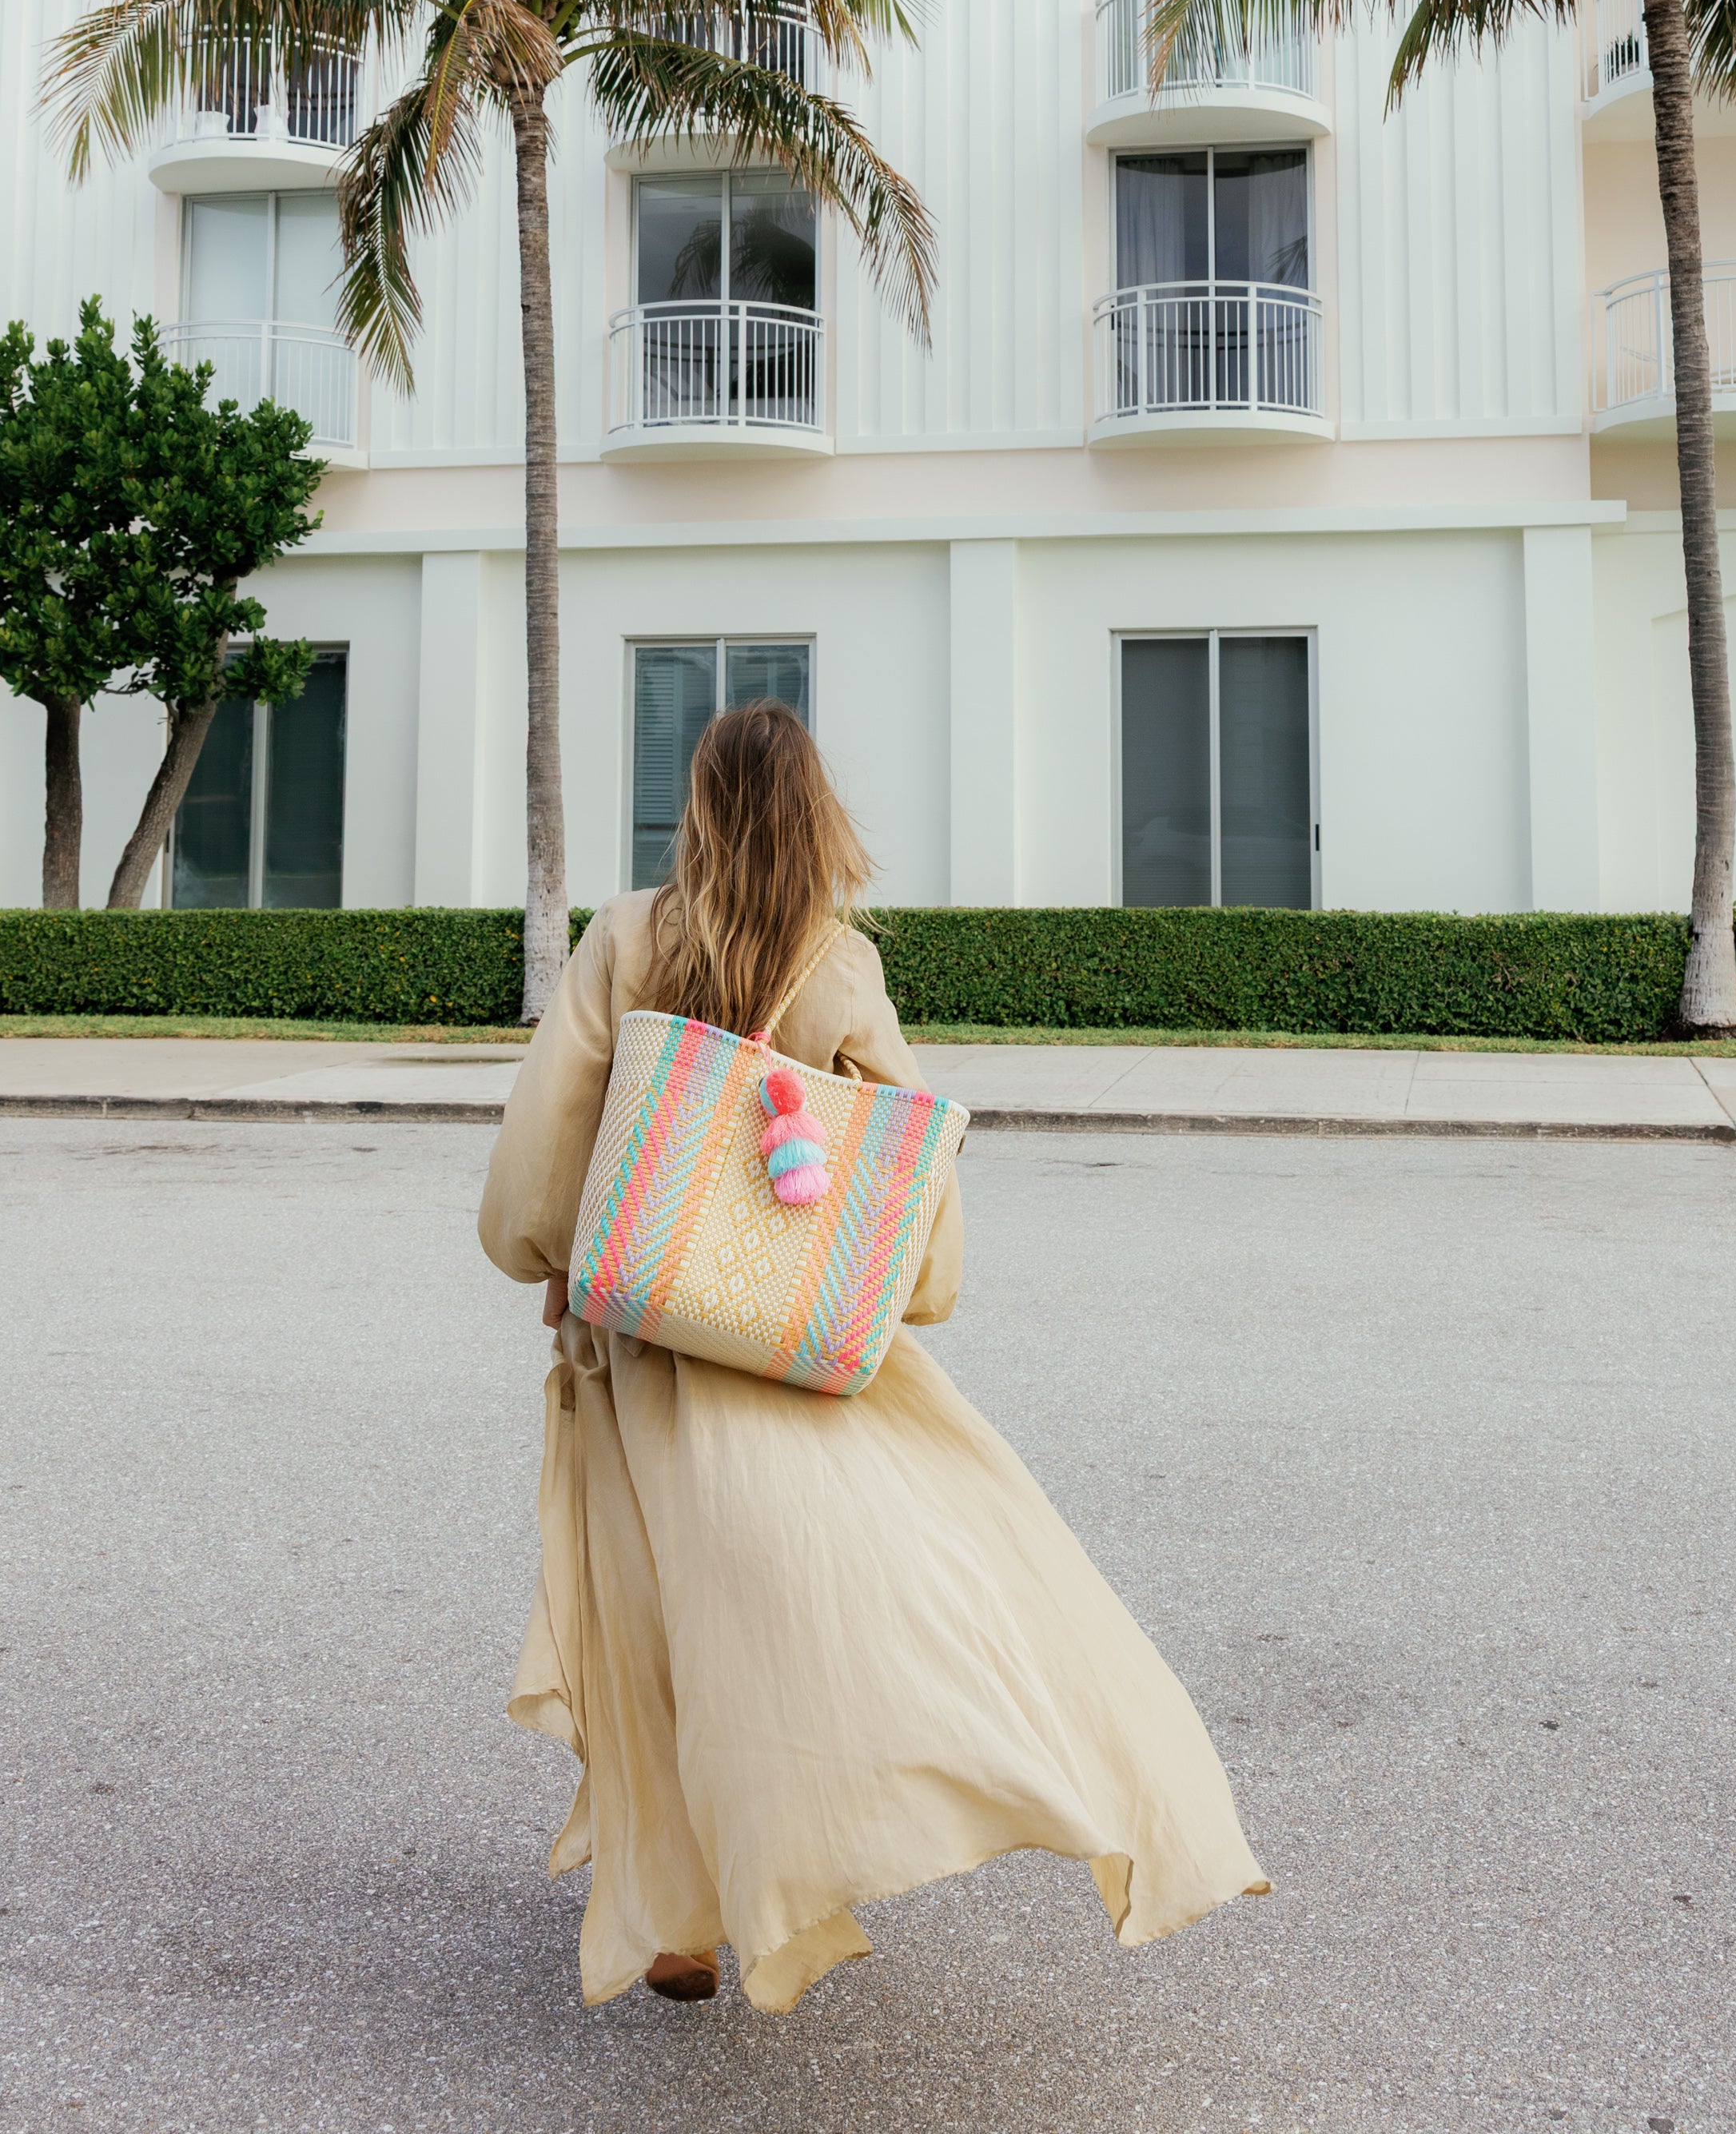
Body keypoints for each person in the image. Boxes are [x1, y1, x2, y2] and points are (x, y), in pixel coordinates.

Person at [478, 697, 1268, 2014]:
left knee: (654, 1620)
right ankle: (823, 1841)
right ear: (814, 816)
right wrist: (916, 1291)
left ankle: (675, 1921)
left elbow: (553, 1124)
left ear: (700, 808)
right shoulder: (837, 964)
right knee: (808, 1621)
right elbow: (911, 1157)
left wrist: (544, 1253)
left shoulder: (623, 937)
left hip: (638, 1341)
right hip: (779, 1343)